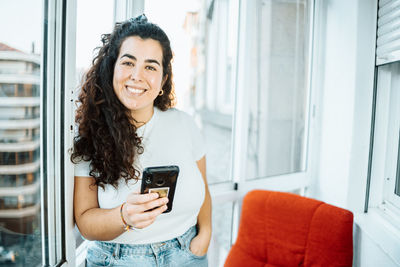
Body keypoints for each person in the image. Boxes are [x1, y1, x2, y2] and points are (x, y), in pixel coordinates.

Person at [71, 14, 212, 267]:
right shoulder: (89, 136)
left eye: (150, 66)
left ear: (163, 81)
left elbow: (204, 187)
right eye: (128, 62)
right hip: (119, 260)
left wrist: (205, 234)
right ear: (111, 68)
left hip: (189, 255)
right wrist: (124, 216)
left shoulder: (184, 124)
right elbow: (85, 222)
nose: (137, 76)